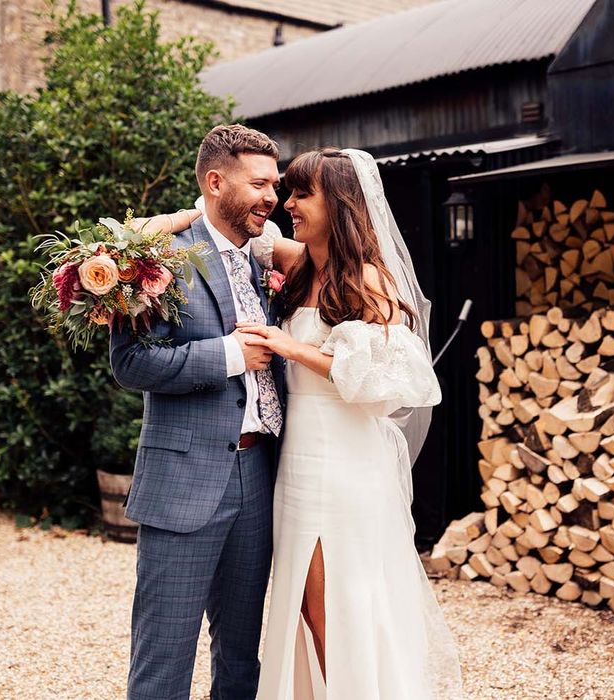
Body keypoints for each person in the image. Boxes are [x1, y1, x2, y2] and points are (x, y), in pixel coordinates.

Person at [147, 147, 463, 698]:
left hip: (341, 465)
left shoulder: (364, 276)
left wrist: (289, 347)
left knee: (331, 610)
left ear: (338, 203)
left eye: (299, 193)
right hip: (293, 465)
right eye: (281, 189)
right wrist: (161, 228)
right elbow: (219, 218)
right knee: (297, 609)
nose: (285, 203)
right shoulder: (298, 264)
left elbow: (393, 381)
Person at [110, 124, 285, 700]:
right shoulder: (158, 259)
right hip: (184, 481)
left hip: (259, 476)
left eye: (275, 185)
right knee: (164, 658)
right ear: (215, 182)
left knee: (241, 657)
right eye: (259, 184)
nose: (272, 197)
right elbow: (132, 363)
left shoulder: (268, 257)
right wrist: (231, 354)